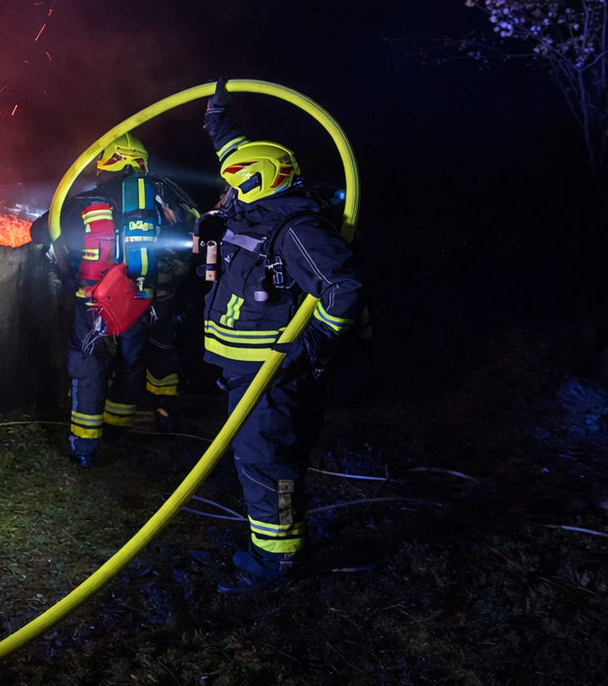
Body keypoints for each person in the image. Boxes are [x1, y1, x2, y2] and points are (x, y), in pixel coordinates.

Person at [198, 78, 365, 593]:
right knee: (262, 460)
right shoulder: (256, 206)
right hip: (244, 368)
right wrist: (215, 117)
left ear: (263, 181)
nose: (229, 192)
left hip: (270, 372)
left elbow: (343, 288)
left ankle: (276, 563)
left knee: (268, 462)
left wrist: (311, 344)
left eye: (238, 182)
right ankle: (279, 547)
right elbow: (236, 153)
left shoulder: (295, 229)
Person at [31, 133, 198, 466]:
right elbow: (199, 230)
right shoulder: (168, 194)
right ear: (141, 163)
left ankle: (84, 449)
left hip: (96, 302)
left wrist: (62, 269)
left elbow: (40, 231)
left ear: (106, 163)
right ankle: (119, 428)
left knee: (89, 364)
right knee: (132, 362)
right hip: (148, 301)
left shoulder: (87, 200)